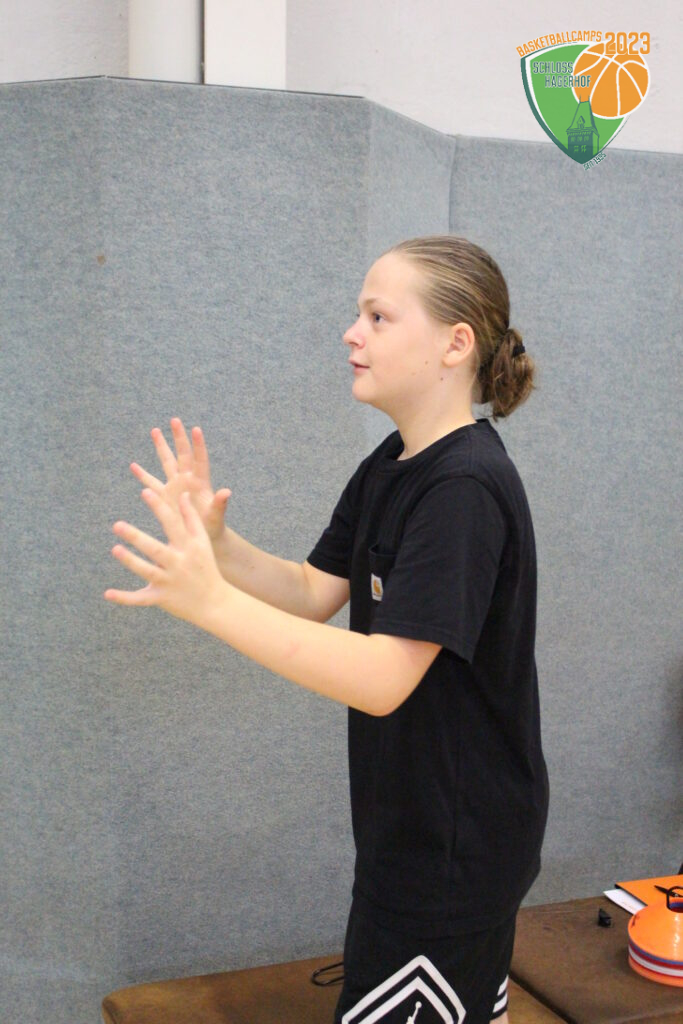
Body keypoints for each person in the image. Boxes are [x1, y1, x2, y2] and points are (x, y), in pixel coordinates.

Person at [104, 235, 549, 1024]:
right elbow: (311, 592)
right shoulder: (392, 464)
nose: (351, 333)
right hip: (413, 840)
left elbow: (382, 679)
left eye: (378, 317)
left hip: (454, 854)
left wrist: (209, 602)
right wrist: (219, 546)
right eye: (357, 315)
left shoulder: (464, 488)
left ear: (455, 344)